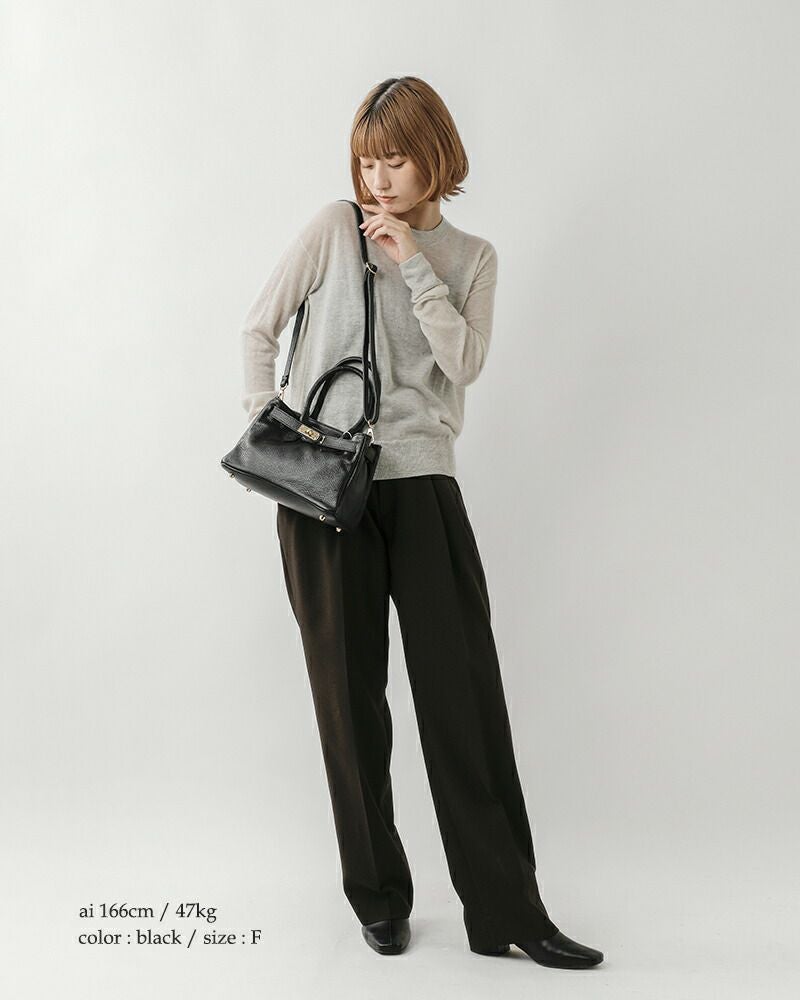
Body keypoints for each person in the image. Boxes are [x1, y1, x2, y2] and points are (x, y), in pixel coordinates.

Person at [240, 76, 604, 969]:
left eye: (395, 160)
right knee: (349, 700)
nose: (378, 180)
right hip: (324, 491)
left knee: (462, 696)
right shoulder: (333, 228)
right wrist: (271, 432)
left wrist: (412, 261)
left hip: (422, 484)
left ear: (435, 156)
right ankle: (378, 897)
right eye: (367, 162)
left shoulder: (471, 256)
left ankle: (508, 910)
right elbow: (258, 328)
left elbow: (462, 363)